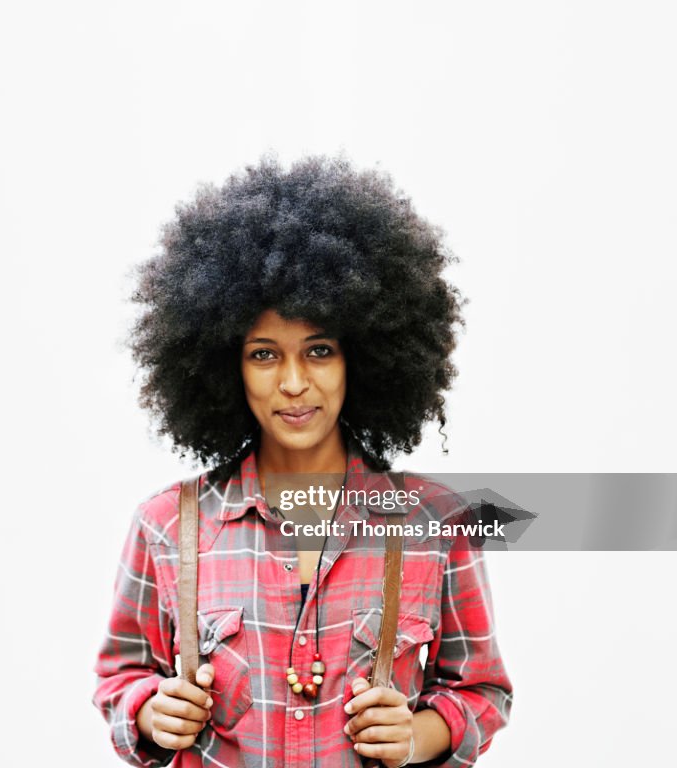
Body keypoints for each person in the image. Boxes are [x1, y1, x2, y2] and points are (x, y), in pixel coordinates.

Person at [92, 155, 512, 768]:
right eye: (264, 354)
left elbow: (483, 690)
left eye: (319, 350)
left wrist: (419, 735)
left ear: (361, 359)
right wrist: (150, 712)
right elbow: (120, 677)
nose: (293, 383)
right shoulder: (166, 526)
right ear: (224, 367)